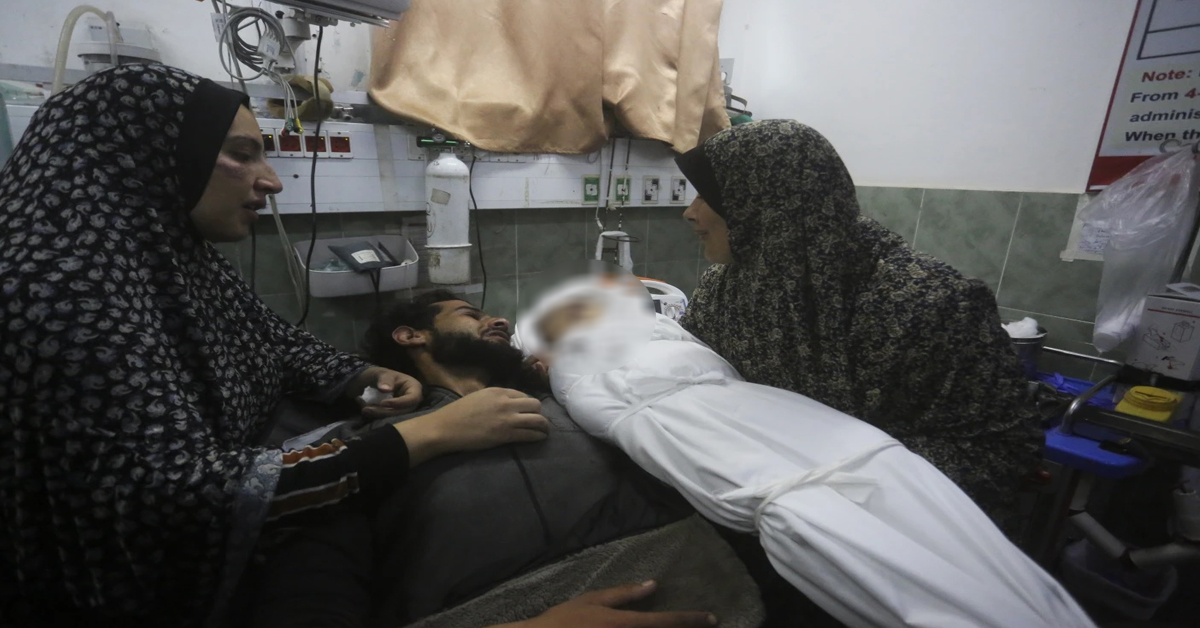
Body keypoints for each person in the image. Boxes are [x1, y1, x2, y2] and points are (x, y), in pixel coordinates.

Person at [0, 64, 714, 628]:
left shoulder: (168, 261)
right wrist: (424, 436)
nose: (271, 179)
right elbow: (173, 502)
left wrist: (357, 374)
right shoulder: (57, 289)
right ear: (149, 156)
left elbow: (276, 341)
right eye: (241, 155)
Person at [520, 273, 1095, 628]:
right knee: (800, 505)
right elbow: (574, 371)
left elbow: (689, 349)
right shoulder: (560, 348)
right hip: (681, 415)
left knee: (882, 471)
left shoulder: (668, 325)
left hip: (768, 409)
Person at [249, 290, 758, 627]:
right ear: (411, 336)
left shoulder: (581, 401)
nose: (500, 320)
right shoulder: (363, 451)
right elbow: (306, 603)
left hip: (695, 583)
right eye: (471, 314)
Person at [674, 119, 1043, 532]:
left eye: (707, 196)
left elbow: (1002, 451)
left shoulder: (925, 302)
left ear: (766, 203)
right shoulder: (725, 286)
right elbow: (694, 378)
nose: (690, 213)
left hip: (888, 530)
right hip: (749, 507)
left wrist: (834, 472)